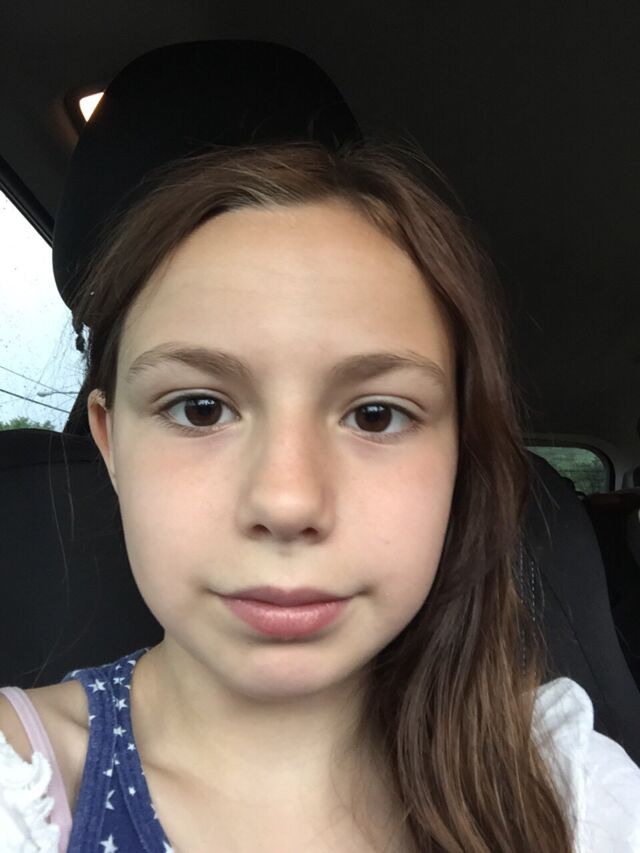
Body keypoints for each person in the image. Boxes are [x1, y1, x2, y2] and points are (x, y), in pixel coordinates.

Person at [1, 138, 639, 853]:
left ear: (459, 459)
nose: (288, 502)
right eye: (200, 409)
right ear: (111, 441)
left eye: (377, 415)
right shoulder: (21, 790)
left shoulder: (565, 789)